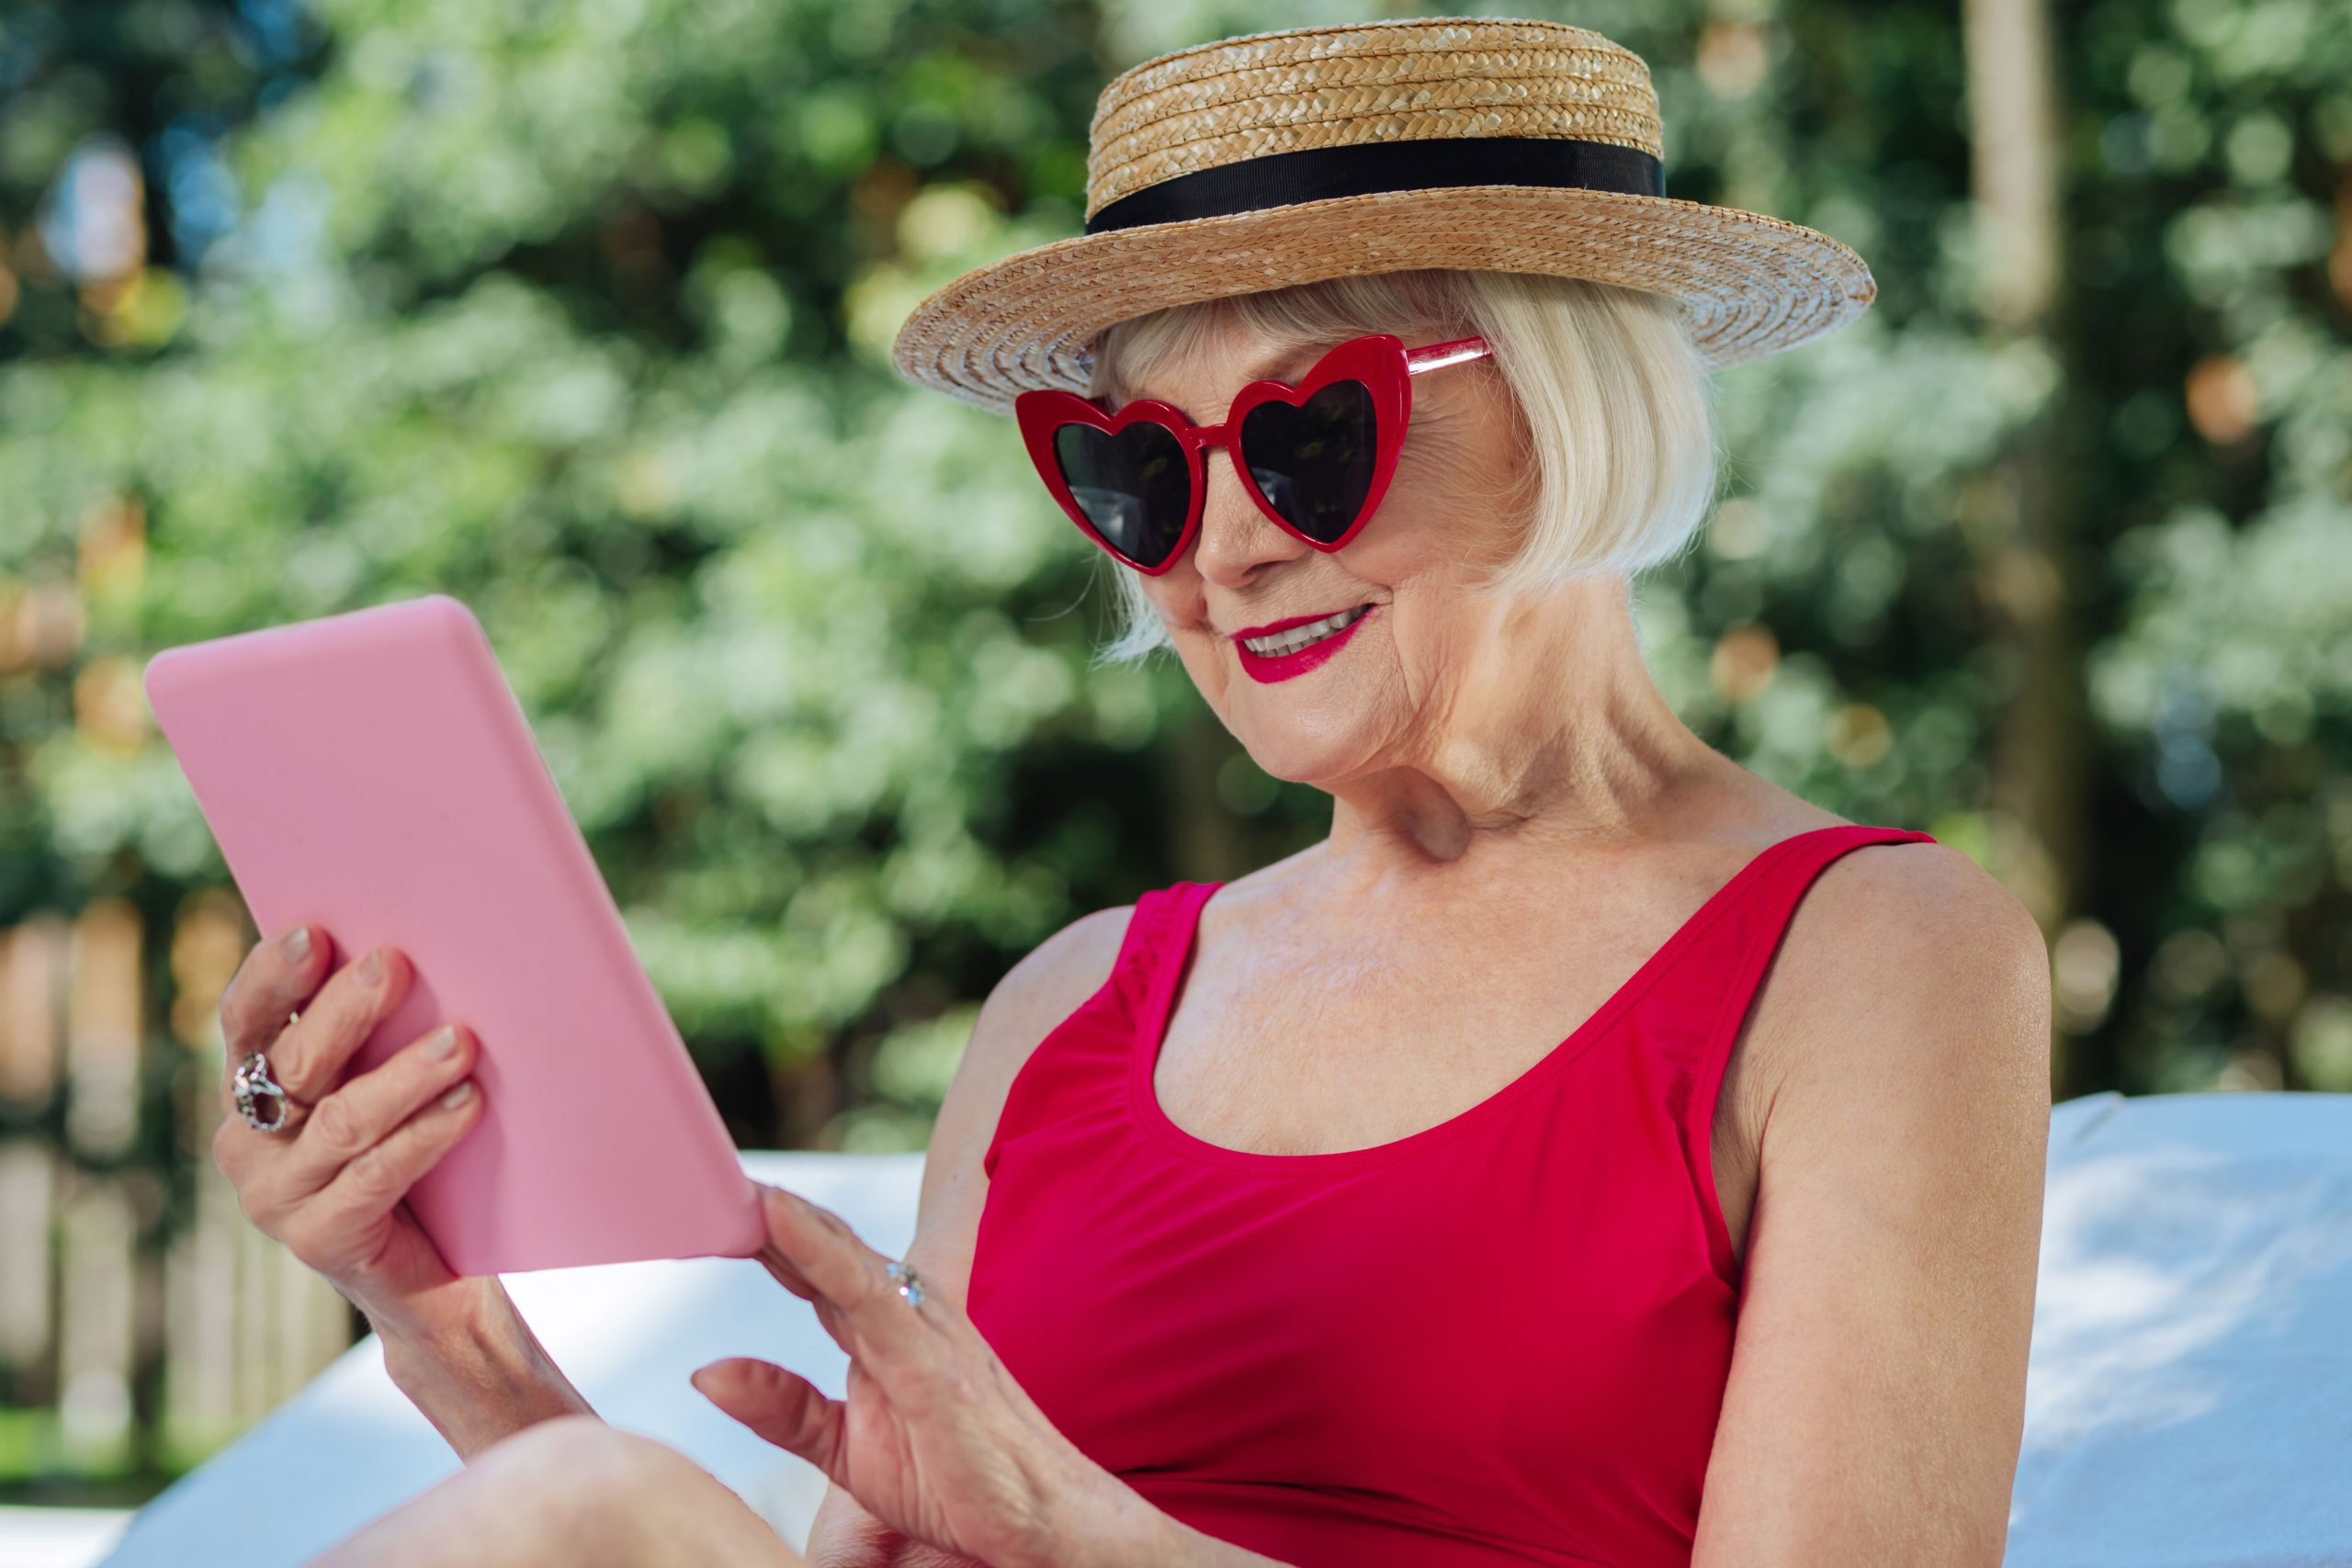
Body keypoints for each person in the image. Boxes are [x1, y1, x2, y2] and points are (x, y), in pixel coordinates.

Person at [212, 17, 2051, 1568]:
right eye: (1141, 475)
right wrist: (446, 1327)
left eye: (1306, 434)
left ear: (1567, 401)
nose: (1219, 553)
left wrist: (1100, 1538)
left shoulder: (1872, 952)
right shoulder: (1069, 1007)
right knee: (579, 1502)